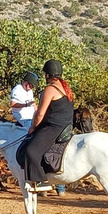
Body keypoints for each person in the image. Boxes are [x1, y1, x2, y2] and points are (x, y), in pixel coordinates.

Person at [22, 59, 75, 191]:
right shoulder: (66, 88)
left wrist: (33, 127)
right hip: (66, 126)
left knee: (31, 151)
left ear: (48, 75)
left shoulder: (50, 89)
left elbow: (40, 113)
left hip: (54, 127)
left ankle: (43, 181)